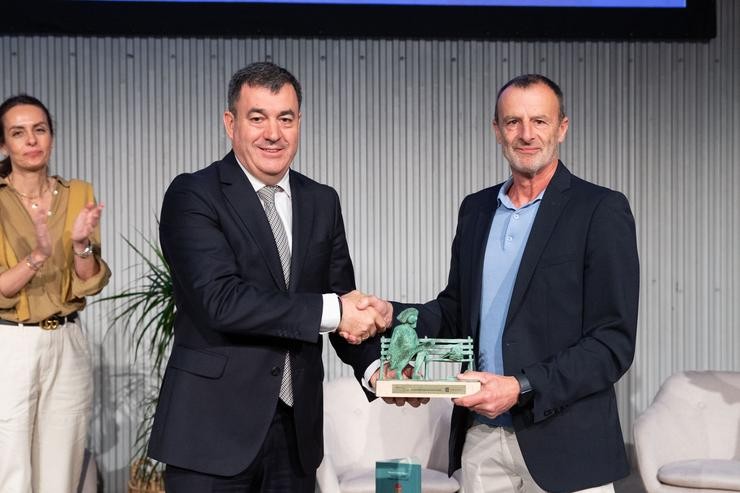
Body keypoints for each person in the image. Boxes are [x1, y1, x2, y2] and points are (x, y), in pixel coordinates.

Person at [364, 74, 640, 493]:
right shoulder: (475, 210)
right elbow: (455, 311)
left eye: (540, 121)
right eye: (513, 122)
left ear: (563, 127)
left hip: (569, 447)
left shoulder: (600, 210)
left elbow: (612, 344)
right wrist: (395, 316)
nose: (526, 134)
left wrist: (521, 387)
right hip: (481, 439)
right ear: (497, 129)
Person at [148, 61, 390, 492]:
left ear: (300, 123)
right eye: (257, 118)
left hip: (296, 435)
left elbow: (341, 299)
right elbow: (221, 300)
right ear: (230, 123)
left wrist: (375, 369)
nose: (272, 133)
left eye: (285, 118)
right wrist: (336, 310)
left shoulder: (322, 201)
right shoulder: (193, 194)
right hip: (211, 435)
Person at [0, 94, 111, 492]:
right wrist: (38, 256)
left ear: (52, 137)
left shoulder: (78, 193)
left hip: (67, 341)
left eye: (40, 130)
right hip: (10, 343)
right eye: (18, 132)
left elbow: (90, 280)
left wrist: (81, 245)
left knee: (61, 470)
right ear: (4, 145)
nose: (31, 140)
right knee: (9, 468)